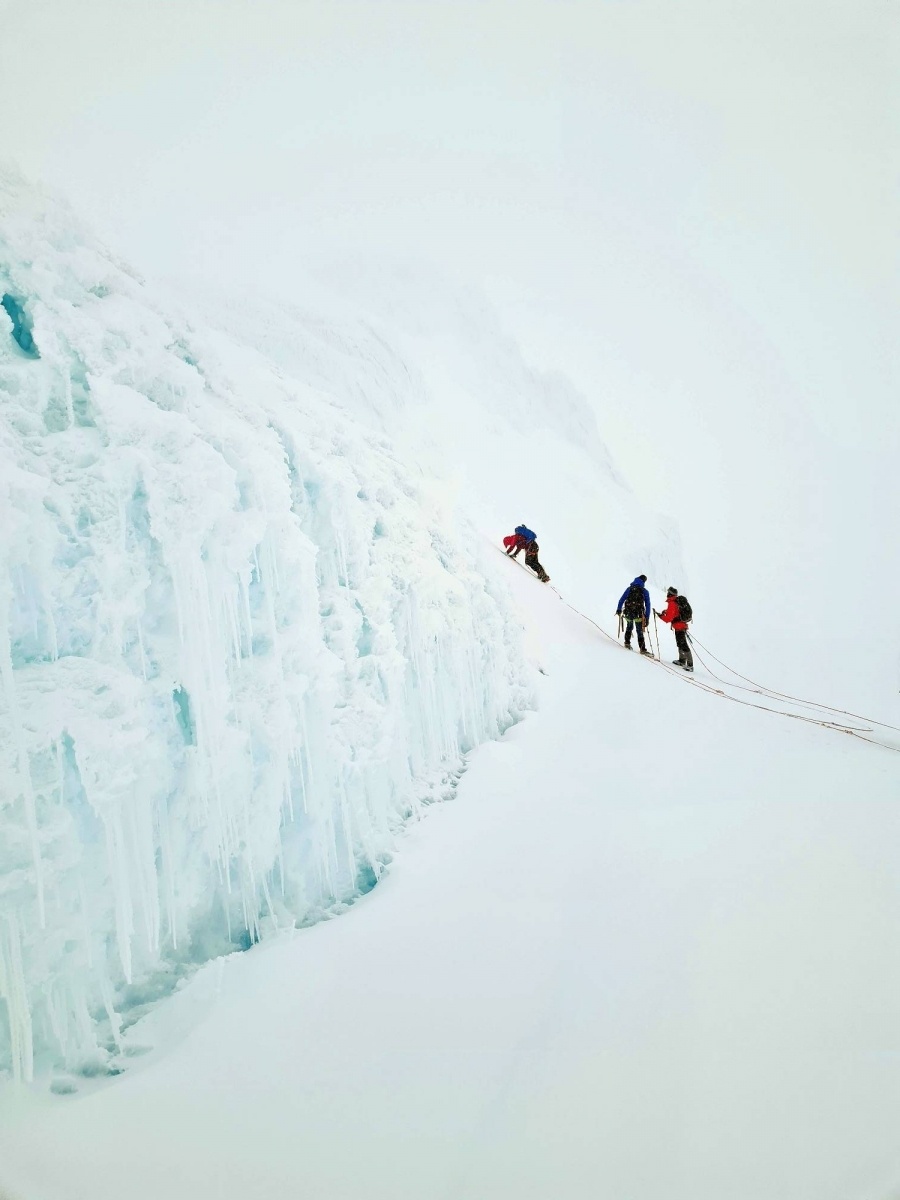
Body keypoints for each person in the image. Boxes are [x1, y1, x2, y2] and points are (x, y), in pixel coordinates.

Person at [656, 586, 693, 672]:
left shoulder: (672, 603)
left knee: (683, 644)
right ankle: (682, 660)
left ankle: (690, 665)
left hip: (679, 626)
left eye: (668, 592)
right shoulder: (675, 602)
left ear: (670, 594)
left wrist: (661, 616)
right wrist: (666, 612)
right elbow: (674, 613)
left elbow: (668, 619)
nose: (667, 594)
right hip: (680, 625)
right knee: (680, 643)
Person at [616, 574, 652, 655]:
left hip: (628, 612)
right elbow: (648, 605)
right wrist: (647, 617)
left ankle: (627, 643)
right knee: (639, 631)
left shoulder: (629, 589)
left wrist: (618, 609)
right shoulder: (644, 591)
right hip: (638, 614)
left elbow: (622, 599)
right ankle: (642, 649)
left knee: (629, 627)